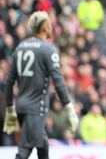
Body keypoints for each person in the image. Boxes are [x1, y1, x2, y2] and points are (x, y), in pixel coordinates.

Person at [3, 11, 79, 159]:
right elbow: (59, 82)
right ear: (44, 27)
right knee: (25, 149)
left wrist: (10, 110)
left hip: (21, 107)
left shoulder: (20, 47)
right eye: (50, 24)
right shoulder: (48, 49)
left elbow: (9, 82)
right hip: (36, 108)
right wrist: (69, 108)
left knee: (42, 145)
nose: (51, 26)